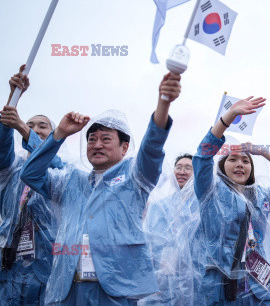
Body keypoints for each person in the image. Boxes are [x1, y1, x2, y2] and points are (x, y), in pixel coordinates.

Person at [20, 73, 182, 306]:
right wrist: (59, 135)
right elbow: (30, 174)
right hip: (68, 290)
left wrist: (163, 102)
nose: (97, 145)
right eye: (92, 139)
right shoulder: (69, 181)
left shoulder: (134, 177)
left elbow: (152, 147)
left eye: (106, 139)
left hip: (114, 291)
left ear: (124, 147)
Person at [192, 96, 270, 305]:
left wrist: (262, 151)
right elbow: (202, 156)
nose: (240, 164)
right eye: (233, 159)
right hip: (220, 287)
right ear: (222, 166)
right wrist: (229, 117)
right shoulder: (209, 192)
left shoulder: (263, 196)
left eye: (246, 160)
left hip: (257, 287)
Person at [0, 65, 64, 306]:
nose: (35, 129)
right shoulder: (10, 169)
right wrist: (12, 100)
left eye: (42, 126)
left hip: (47, 269)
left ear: (54, 134)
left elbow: (50, 161)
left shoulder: (61, 170)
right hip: (9, 268)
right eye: (30, 124)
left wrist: (23, 128)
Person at [141, 153, 201, 306]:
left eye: (188, 168)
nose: (182, 171)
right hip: (163, 283)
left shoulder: (202, 206)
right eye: (178, 167)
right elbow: (149, 245)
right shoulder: (158, 206)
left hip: (196, 282)